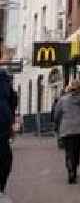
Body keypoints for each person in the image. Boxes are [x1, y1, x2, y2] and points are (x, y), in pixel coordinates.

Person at [53, 79, 80, 184]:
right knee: (76, 149)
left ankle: (70, 168)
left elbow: (57, 114)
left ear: (69, 88)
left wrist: (56, 124)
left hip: (66, 129)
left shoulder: (62, 100)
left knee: (68, 151)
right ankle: (74, 167)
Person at [0, 69, 17, 199]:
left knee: (5, 158)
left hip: (3, 123)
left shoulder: (4, 78)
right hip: (3, 123)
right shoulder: (4, 78)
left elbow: (13, 99)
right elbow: (13, 100)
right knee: (5, 158)